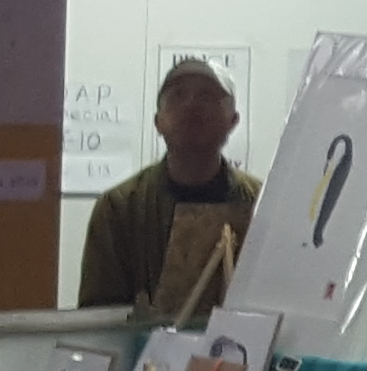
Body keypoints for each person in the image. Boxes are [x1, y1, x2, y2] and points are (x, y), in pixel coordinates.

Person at [78, 59, 258, 308]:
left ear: (233, 120)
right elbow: (99, 313)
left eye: (207, 95)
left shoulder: (263, 204)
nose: (192, 105)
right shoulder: (119, 208)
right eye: (178, 95)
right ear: (158, 121)